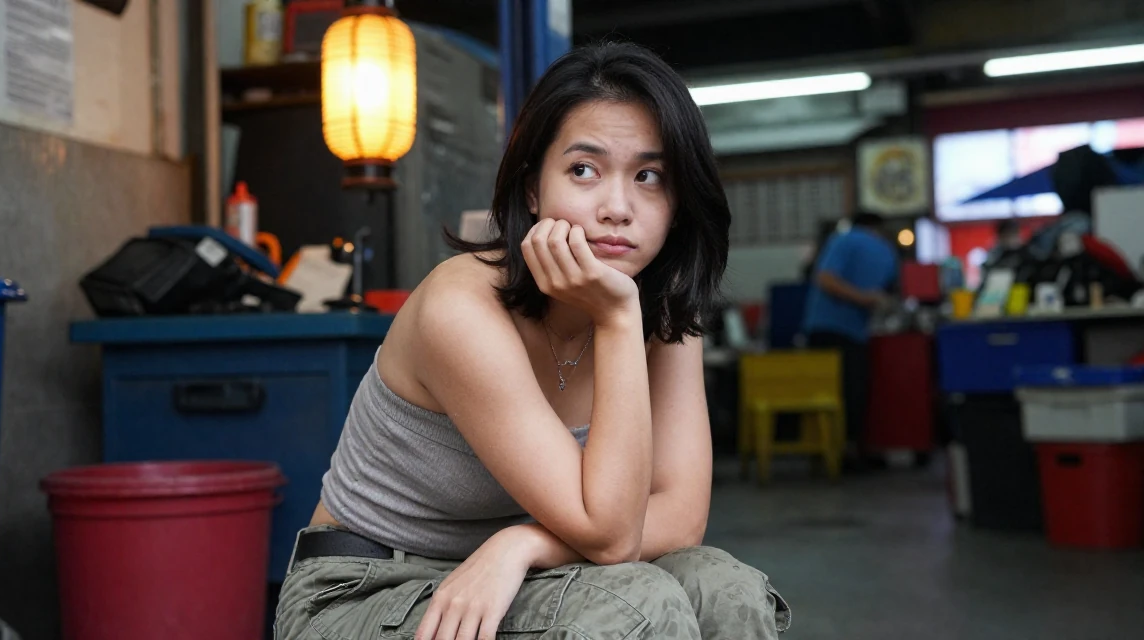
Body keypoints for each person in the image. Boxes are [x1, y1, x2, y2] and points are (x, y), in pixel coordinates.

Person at [275, 42, 790, 640]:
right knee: (634, 604)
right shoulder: (461, 308)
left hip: (521, 574)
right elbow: (613, 536)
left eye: (649, 177)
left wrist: (520, 544)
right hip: (364, 589)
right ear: (531, 191)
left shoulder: (666, 306)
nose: (618, 208)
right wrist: (620, 320)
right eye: (583, 170)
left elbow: (678, 517)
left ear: (677, 204)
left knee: (727, 592)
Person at [801, 212, 898, 464]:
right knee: (852, 395)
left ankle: (825, 454)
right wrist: (868, 299)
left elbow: (824, 278)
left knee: (823, 395)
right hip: (853, 332)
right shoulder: (885, 250)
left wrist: (862, 297)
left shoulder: (842, 241)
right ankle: (848, 453)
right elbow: (889, 293)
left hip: (823, 328)